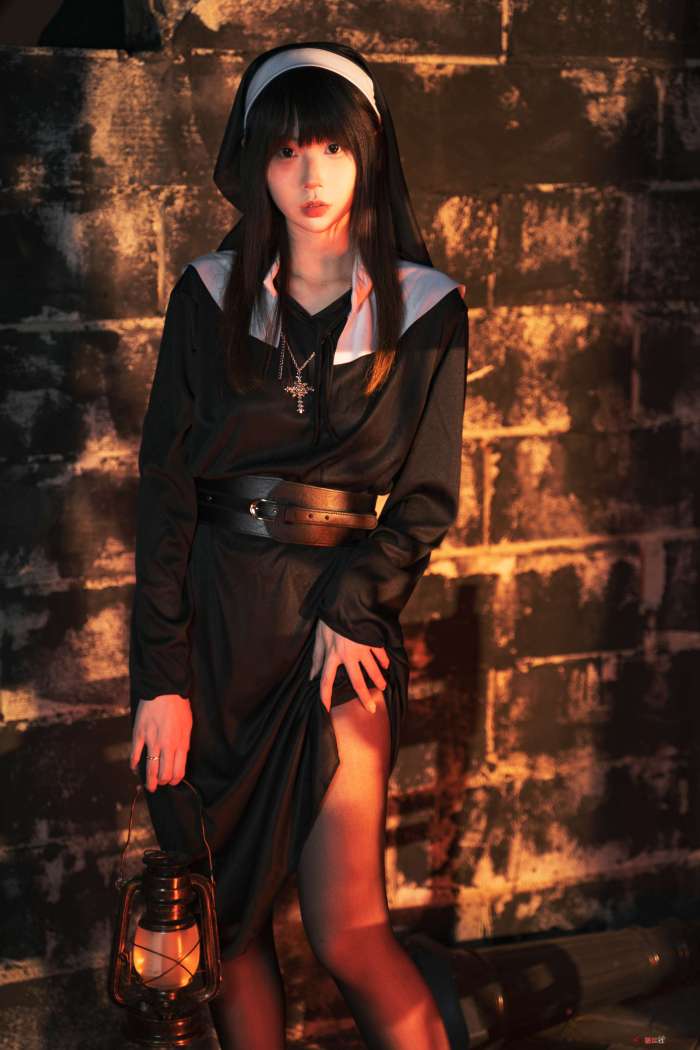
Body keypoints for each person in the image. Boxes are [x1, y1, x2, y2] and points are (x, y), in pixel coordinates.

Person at [127, 40, 468, 1050]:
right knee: (222, 936)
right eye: (284, 152)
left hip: (334, 631)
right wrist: (160, 678)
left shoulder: (427, 306)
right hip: (216, 630)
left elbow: (425, 499)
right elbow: (165, 495)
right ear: (254, 164)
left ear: (369, 155)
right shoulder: (206, 294)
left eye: (331, 148)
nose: (310, 176)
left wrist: (355, 608)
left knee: (349, 932)